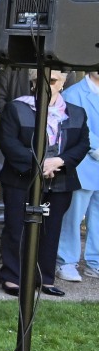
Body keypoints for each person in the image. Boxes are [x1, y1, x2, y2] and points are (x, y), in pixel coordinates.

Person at [0, 68, 90, 297]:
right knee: (17, 229)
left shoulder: (76, 112)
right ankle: (12, 277)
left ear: (63, 83)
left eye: (53, 80)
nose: (47, 84)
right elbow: (7, 142)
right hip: (21, 179)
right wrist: (39, 164)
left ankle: (44, 278)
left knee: (51, 230)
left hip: (60, 180)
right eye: (40, 80)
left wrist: (59, 161)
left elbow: (82, 144)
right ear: (33, 83)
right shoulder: (16, 108)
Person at [57, 69, 99, 282]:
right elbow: (75, 128)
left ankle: (95, 262)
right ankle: (66, 261)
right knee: (73, 216)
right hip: (83, 163)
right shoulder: (73, 94)